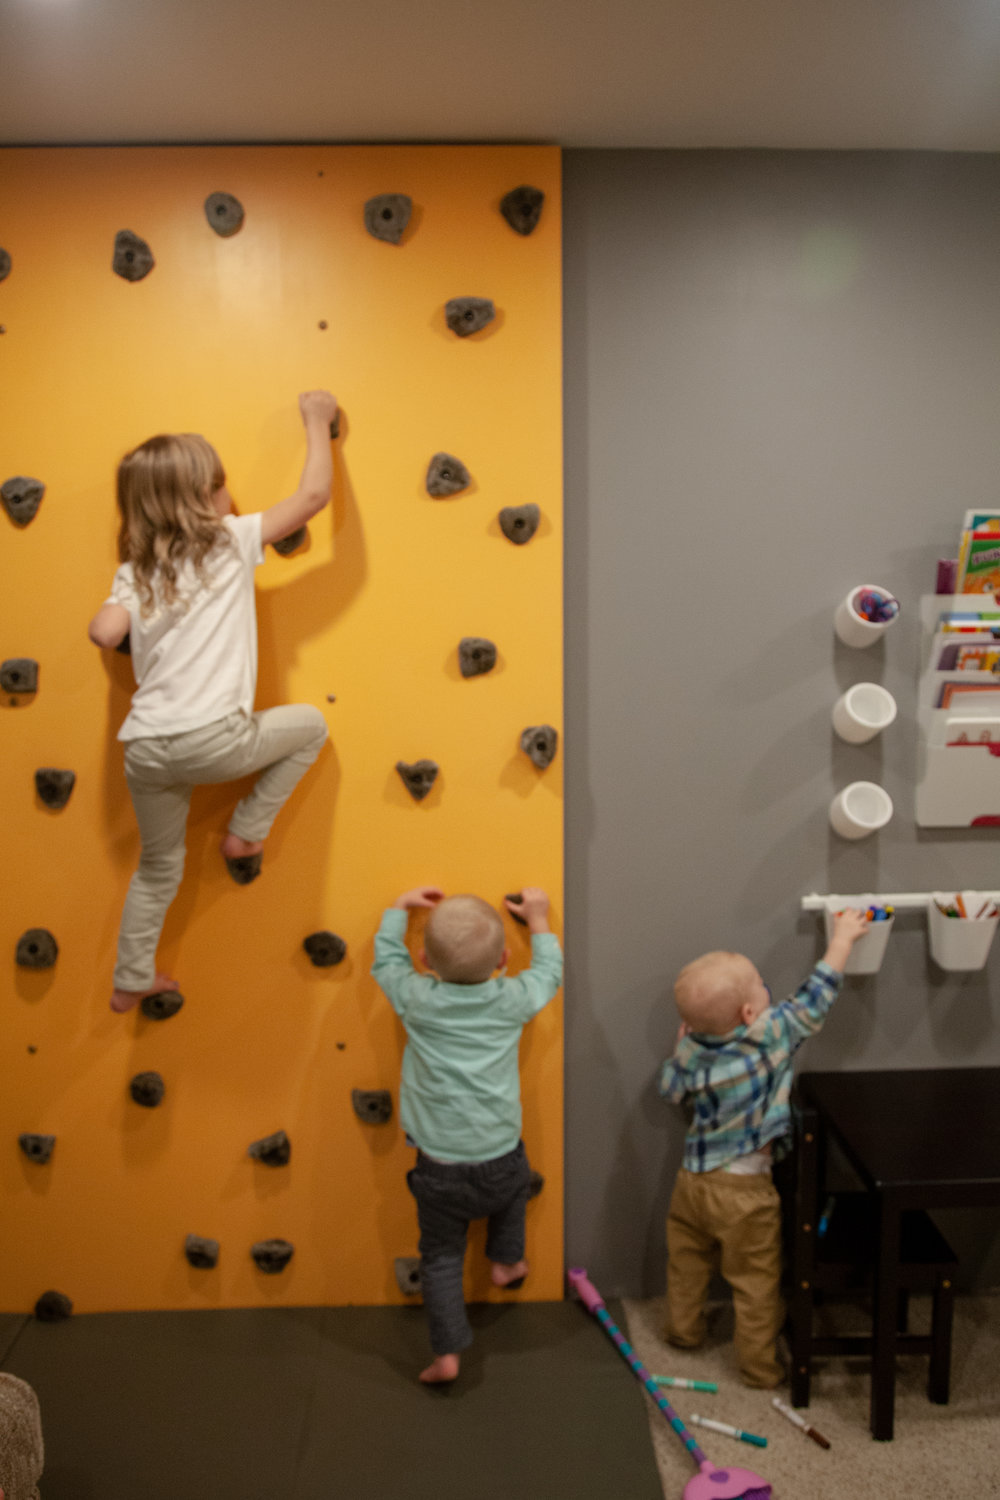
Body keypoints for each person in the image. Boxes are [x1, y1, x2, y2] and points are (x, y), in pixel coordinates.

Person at [87, 390, 338, 1013]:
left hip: (144, 748)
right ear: (204, 500)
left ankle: (130, 977)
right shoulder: (229, 541)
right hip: (212, 739)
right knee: (310, 725)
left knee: (157, 868)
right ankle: (247, 833)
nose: (231, 496)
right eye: (221, 484)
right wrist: (316, 422)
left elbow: (104, 632)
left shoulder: (135, 569)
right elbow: (312, 499)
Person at [658, 907, 869, 1387]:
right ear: (750, 1013)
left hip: (692, 1180)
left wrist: (678, 1052)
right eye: (760, 986)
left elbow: (670, 1090)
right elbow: (816, 997)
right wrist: (844, 938)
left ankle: (682, 1330)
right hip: (745, 1190)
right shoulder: (770, 1035)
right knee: (755, 1281)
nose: (767, 992)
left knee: (687, 1263)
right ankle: (758, 1366)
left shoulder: (692, 1047)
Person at [372, 884, 563, 1384]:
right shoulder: (510, 999)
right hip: (501, 1154)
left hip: (438, 1167)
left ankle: (448, 1355)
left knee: (440, 1259)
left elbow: (386, 966)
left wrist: (396, 912)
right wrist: (539, 920)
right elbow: (548, 974)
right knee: (514, 1193)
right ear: (503, 959)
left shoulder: (415, 997)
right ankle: (506, 1261)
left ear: (423, 959)